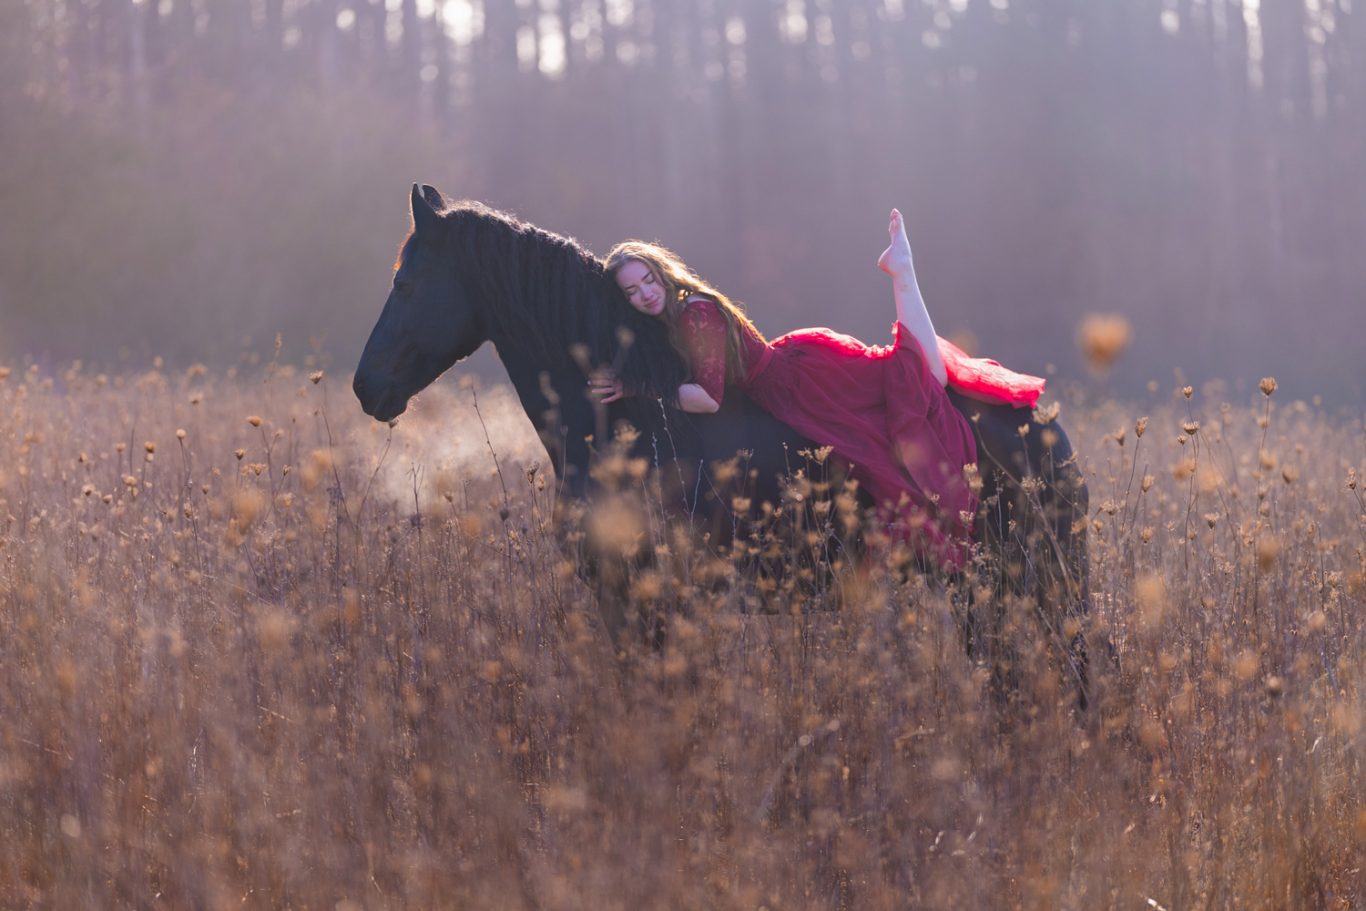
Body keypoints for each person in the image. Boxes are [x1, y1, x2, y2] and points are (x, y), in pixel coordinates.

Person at [591, 209, 1045, 570]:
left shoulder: (695, 314)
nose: (646, 294)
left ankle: (902, 272)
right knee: (917, 382)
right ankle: (901, 272)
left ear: (663, 272)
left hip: (799, 385)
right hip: (786, 376)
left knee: (924, 381)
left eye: (649, 280)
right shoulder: (675, 318)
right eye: (633, 292)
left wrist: (639, 387)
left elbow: (706, 399)